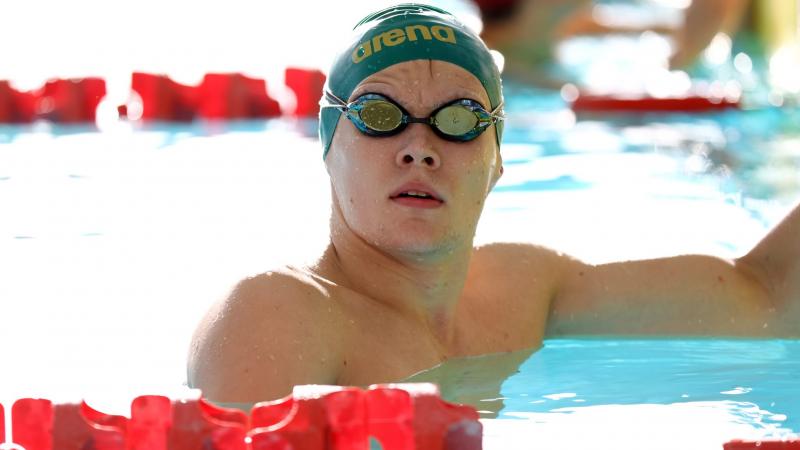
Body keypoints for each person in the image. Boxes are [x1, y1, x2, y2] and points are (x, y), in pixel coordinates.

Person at [187, 3, 799, 407]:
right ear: (327, 146)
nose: (419, 149)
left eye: (459, 120)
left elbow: (765, 296)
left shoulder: (521, 291)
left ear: (498, 160)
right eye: (379, 116)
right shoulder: (276, 314)